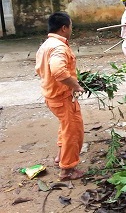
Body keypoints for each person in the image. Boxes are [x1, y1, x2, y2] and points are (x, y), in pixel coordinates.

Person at [35, 12, 86, 181]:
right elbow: (59, 72)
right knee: (73, 132)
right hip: (62, 97)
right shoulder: (58, 47)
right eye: (71, 26)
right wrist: (76, 86)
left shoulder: (46, 45)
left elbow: (39, 70)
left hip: (52, 96)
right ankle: (67, 170)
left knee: (65, 128)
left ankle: (60, 158)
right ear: (64, 28)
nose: (72, 29)